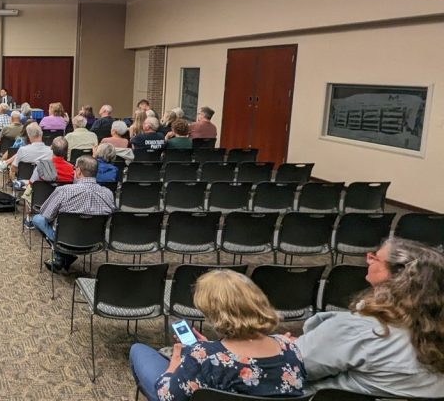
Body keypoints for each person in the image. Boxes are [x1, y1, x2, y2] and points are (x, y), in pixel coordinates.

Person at [293, 238, 444, 398]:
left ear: (398, 274)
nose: (368, 260)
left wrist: (279, 348)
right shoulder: (434, 330)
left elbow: (293, 368)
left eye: (375, 257)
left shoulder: (359, 329)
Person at [129, 269, 306, 401]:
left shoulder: (203, 356)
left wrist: (175, 362)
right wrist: (211, 345)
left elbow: (167, 397)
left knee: (138, 351)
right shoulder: (290, 347)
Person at [29, 156, 115, 272]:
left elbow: (46, 216)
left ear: (78, 171)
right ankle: (64, 255)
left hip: (65, 238)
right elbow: (109, 218)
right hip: (95, 240)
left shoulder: (64, 191)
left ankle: (63, 255)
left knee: (38, 219)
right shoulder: (108, 193)